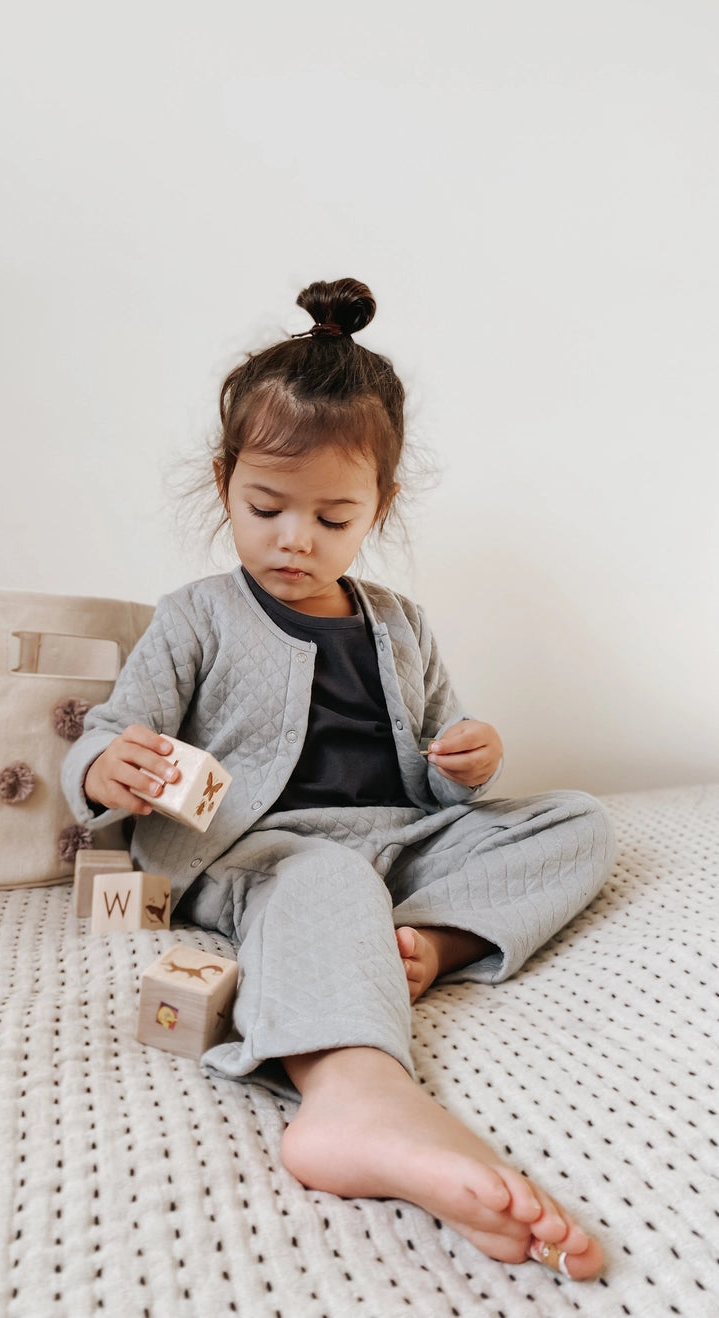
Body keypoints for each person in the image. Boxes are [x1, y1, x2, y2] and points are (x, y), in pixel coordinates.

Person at [62, 278, 614, 1280]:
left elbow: (443, 747)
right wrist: (106, 765)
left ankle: (432, 941)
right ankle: (354, 1089)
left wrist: (467, 758)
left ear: (379, 508)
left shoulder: (398, 620)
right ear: (225, 480)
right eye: (266, 506)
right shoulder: (194, 615)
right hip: (259, 849)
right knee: (322, 882)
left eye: (332, 515)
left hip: (399, 837)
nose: (295, 538)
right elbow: (108, 734)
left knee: (576, 819)